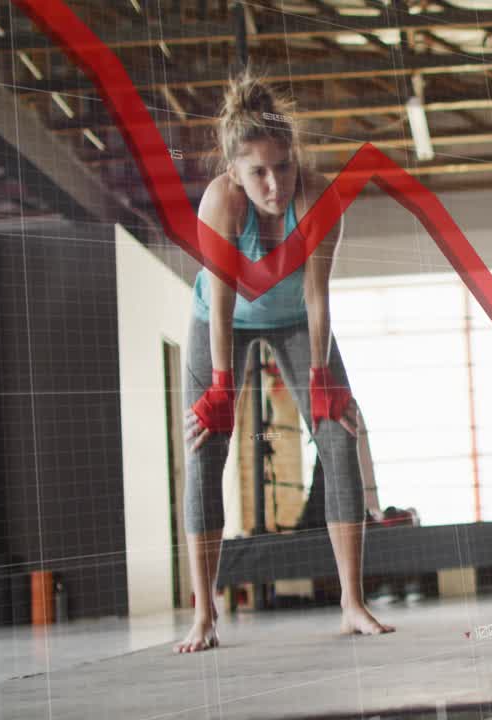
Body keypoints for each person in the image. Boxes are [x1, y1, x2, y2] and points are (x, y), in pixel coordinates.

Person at [177, 70, 394, 653]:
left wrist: (322, 380)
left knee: (340, 434)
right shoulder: (220, 203)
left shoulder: (319, 198)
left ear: (295, 159)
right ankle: (204, 615)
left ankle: (352, 602)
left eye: (283, 166)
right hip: (220, 321)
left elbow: (318, 295)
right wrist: (221, 386)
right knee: (203, 449)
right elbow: (221, 298)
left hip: (295, 319)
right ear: (234, 172)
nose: (274, 184)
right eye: (258, 172)